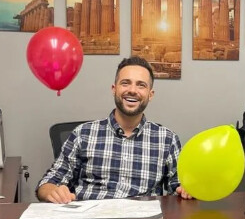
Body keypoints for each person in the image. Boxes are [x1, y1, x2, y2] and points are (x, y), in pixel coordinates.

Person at [37, 56, 191, 203]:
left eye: (141, 85)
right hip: (91, 218)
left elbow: (178, 187)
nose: (132, 90)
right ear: (114, 89)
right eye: (125, 83)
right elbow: (48, 183)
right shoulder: (82, 134)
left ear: (150, 95)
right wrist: (53, 191)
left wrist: (185, 190)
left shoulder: (167, 140)